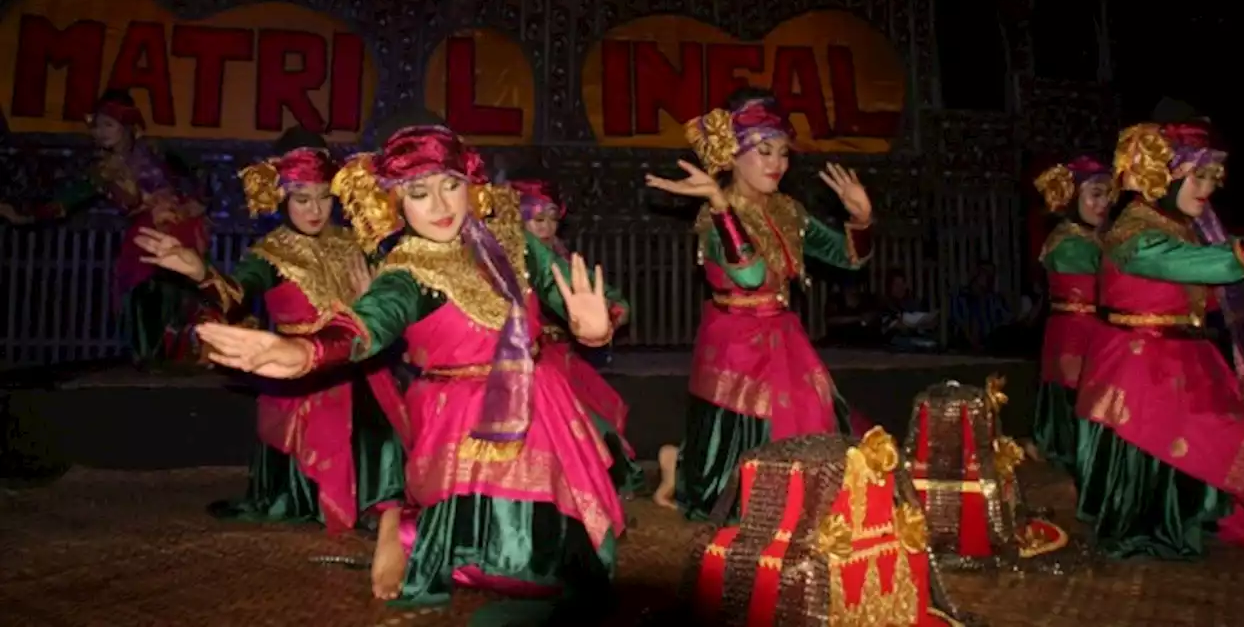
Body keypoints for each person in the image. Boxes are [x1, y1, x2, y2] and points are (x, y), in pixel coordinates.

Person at [194, 110, 626, 617]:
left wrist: (598, 326)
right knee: (518, 570)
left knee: (580, 569)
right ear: (397, 202)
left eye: (450, 186)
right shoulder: (407, 271)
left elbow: (589, 295)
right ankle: (399, 527)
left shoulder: (513, 240)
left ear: (470, 183)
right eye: (419, 194)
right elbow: (365, 326)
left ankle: (420, 523)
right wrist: (302, 353)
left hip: (541, 406)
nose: (441, 206)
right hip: (462, 422)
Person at [135, 127, 409, 539]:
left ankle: (378, 506)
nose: (315, 209)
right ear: (283, 197)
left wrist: (375, 294)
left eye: (323, 197)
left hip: (357, 363)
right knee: (336, 428)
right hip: (301, 377)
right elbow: (234, 295)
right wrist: (200, 272)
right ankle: (336, 502)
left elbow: (394, 297)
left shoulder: (355, 242)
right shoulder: (271, 253)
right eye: (302, 199)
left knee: (381, 430)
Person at [646, 88, 874, 519]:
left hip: (783, 333)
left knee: (814, 413)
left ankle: (683, 462)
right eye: (764, 151)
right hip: (735, 338)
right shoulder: (714, 218)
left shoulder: (789, 210)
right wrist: (719, 204)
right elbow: (749, 276)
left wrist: (861, 220)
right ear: (732, 156)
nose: (777, 164)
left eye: (784, 154)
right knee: (747, 445)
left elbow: (850, 257)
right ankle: (685, 468)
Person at [1076, 121, 1244, 558]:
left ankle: (1199, 515)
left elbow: (1238, 269)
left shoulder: (1185, 228)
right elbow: (1219, 266)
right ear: (1163, 175)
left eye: (1212, 178)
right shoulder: (1136, 235)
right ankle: (1162, 526)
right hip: (1143, 371)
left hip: (1186, 364)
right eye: (1197, 175)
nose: (1206, 188)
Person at [0, 89, 208, 366]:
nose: (100, 132)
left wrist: (195, 203)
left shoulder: (156, 149)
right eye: (97, 125)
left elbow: (198, 175)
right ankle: (150, 360)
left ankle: (182, 356)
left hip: (180, 229)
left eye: (108, 125)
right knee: (136, 290)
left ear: (129, 128)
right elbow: (66, 201)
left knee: (176, 294)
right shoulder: (100, 171)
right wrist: (23, 217)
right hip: (144, 235)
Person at [506, 171, 645, 497]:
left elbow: (607, 297)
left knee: (597, 432)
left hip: (566, 362)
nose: (546, 227)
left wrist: (612, 312)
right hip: (529, 365)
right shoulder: (507, 259)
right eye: (536, 219)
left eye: (552, 218)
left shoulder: (561, 258)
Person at [1030, 155, 1110, 475]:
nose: (1103, 204)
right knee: (1074, 403)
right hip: (1075, 334)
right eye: (1096, 194)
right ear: (1075, 197)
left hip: (1090, 333)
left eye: (1108, 195)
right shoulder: (1069, 243)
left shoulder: (1094, 238)